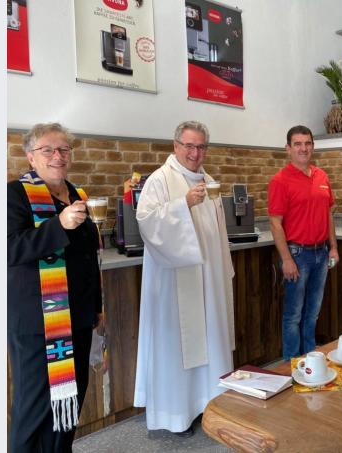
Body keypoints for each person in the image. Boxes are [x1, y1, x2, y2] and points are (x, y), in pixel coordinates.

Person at [133, 121, 235, 436]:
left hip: (208, 280)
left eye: (201, 146)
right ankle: (177, 414)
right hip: (175, 285)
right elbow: (147, 221)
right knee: (177, 346)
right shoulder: (160, 180)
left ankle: (208, 404)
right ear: (176, 145)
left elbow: (217, 235)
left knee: (209, 337)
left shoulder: (209, 180)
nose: (195, 153)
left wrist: (220, 272)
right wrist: (184, 204)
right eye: (189, 146)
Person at [7, 122, 103, 452]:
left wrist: (97, 308)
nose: (57, 156)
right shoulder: (14, 195)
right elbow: (9, 249)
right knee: (36, 408)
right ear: (31, 158)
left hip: (77, 318)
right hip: (38, 323)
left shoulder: (78, 195)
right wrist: (58, 225)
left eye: (63, 149)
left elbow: (90, 257)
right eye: (47, 150)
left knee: (69, 405)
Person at [268, 125, 339, 360]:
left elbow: (328, 214)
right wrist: (286, 259)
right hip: (297, 254)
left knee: (312, 313)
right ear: (288, 148)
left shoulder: (322, 176)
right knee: (294, 315)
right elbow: (275, 222)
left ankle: (310, 362)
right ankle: (291, 365)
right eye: (298, 144)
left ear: (313, 147)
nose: (303, 148)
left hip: (322, 254)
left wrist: (334, 248)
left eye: (307, 143)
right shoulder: (280, 180)